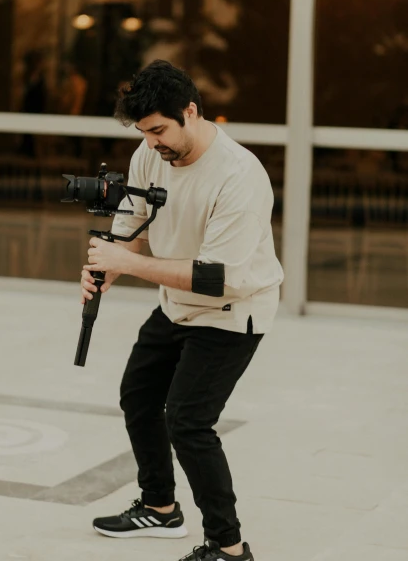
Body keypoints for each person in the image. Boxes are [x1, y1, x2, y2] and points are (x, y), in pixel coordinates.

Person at [80, 60, 284, 561]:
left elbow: (219, 278)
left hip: (232, 311)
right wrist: (109, 265)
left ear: (190, 111)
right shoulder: (151, 153)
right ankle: (161, 507)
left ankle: (229, 548)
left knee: (189, 422)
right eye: (144, 132)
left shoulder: (239, 175)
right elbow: (133, 220)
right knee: (139, 396)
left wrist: (129, 261)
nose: (152, 143)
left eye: (159, 130)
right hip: (176, 305)